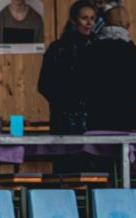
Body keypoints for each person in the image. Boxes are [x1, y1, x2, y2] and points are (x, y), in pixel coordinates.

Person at [79, 6, 136, 131]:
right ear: (128, 25)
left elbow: (78, 88)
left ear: (105, 24)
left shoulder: (87, 52)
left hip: (96, 121)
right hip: (130, 121)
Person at [38, 1, 96, 134]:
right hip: (64, 118)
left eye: (92, 18)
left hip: (93, 118)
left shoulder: (98, 47)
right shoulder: (58, 48)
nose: (89, 23)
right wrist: (64, 103)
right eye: (84, 18)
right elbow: (44, 84)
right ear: (74, 20)